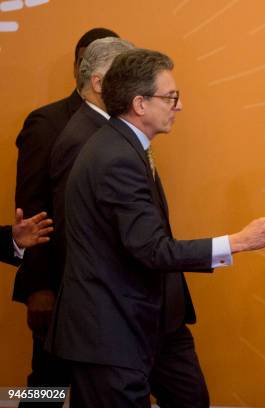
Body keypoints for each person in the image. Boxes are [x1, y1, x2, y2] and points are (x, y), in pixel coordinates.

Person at [47, 49, 265, 407]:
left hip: (140, 324)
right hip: (111, 331)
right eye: (171, 97)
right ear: (140, 104)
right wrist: (238, 241)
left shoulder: (123, 145)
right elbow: (151, 249)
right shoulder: (116, 156)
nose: (179, 106)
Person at [12, 27, 119, 401]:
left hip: (111, 294)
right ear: (82, 67)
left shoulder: (127, 124)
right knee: (46, 386)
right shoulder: (48, 122)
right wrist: (39, 287)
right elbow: (32, 210)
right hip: (56, 287)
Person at [50, 37, 134, 280]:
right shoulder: (83, 137)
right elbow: (73, 230)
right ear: (98, 83)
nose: (136, 88)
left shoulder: (103, 128)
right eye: (125, 78)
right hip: (102, 293)